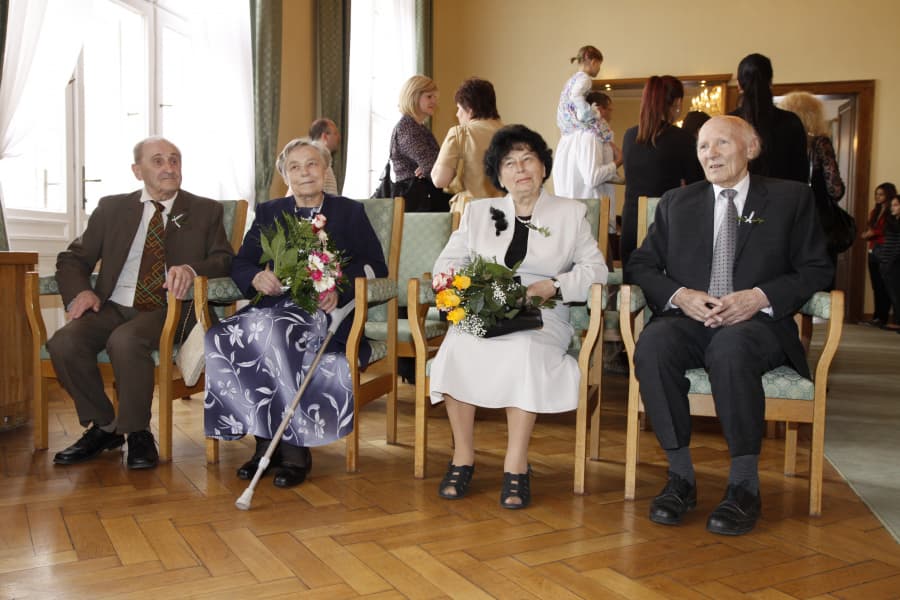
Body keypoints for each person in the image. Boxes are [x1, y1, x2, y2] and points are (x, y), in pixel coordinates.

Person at [626, 116, 833, 536]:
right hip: (690, 320)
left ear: (751, 148)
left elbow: (817, 268)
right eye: (703, 146)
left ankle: (743, 487)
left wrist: (759, 296)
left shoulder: (791, 198)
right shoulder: (676, 203)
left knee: (730, 349)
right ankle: (680, 478)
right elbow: (641, 265)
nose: (711, 154)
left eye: (722, 143)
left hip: (757, 325)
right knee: (653, 345)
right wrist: (680, 295)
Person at [428, 124, 608, 509]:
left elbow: (596, 271)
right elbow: (446, 264)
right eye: (509, 163)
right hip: (486, 309)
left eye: (528, 159)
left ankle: (516, 464)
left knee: (524, 350)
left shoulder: (570, 213)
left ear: (543, 166)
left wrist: (554, 286)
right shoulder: (478, 212)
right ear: (499, 174)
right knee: (456, 348)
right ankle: (462, 457)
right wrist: (463, 290)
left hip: (542, 312)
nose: (520, 168)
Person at [204, 138, 388, 488]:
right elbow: (241, 262)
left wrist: (340, 287)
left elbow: (375, 266)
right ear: (285, 175)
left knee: (277, 334)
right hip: (273, 307)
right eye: (295, 167)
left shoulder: (349, 212)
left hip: (325, 312)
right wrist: (255, 277)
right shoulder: (270, 212)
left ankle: (292, 450)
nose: (304, 173)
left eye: (312, 164)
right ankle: (263, 441)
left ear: (325, 170)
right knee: (223, 335)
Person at [48, 137, 234, 469]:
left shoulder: (205, 210)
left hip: (172, 307)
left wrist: (192, 270)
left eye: (174, 160)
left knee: (125, 340)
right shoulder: (112, 209)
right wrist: (82, 292)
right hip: (114, 305)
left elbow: (224, 260)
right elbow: (73, 258)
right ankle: (105, 427)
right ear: (137, 171)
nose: (169, 168)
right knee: (64, 342)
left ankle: (137, 431)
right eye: (158, 161)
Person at [621, 75, 704, 268]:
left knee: (632, 282)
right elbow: (697, 186)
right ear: (677, 102)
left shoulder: (629, 136)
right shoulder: (682, 138)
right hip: (664, 227)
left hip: (630, 225)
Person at [554, 46, 622, 235]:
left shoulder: (568, 140)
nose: (599, 69)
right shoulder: (589, 135)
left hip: (573, 211)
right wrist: (617, 162)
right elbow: (592, 178)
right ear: (592, 61)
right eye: (598, 65)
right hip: (589, 215)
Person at [778, 91, 846, 267]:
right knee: (819, 274)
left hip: (785, 221)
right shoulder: (820, 143)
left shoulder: (779, 144)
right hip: (818, 224)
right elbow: (836, 190)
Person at [730, 53, 807, 183]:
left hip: (740, 194)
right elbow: (801, 174)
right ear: (770, 82)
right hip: (784, 194)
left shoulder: (729, 123)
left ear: (739, 85)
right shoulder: (791, 121)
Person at [431, 77, 505, 203]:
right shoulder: (509, 133)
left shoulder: (460, 133)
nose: (457, 114)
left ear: (470, 109)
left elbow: (440, 180)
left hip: (470, 208)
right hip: (504, 208)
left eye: (459, 108)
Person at [388, 75, 451, 212]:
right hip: (415, 201)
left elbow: (433, 164)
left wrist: (434, 165)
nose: (434, 101)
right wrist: (434, 165)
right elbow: (431, 166)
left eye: (435, 97)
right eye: (429, 96)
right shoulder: (407, 127)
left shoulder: (419, 127)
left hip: (422, 197)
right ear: (414, 96)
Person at [861, 183, 895, 327]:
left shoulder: (892, 211)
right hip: (873, 249)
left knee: (884, 285)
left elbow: (888, 230)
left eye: (881, 194)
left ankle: (883, 317)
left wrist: (873, 233)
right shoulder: (875, 211)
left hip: (884, 249)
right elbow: (870, 228)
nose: (877, 197)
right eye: (876, 194)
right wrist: (867, 234)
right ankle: (877, 316)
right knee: (876, 285)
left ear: (888, 194)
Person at [877, 194, 900, 332]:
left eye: (896, 205)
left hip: (895, 262)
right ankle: (897, 321)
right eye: (892, 205)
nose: (892, 208)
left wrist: (891, 261)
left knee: (896, 293)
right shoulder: (892, 221)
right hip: (886, 261)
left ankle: (898, 321)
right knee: (892, 293)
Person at [309, 117, 340, 195]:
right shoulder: (315, 157)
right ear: (325, 136)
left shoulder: (323, 158)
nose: (339, 137)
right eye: (335, 133)